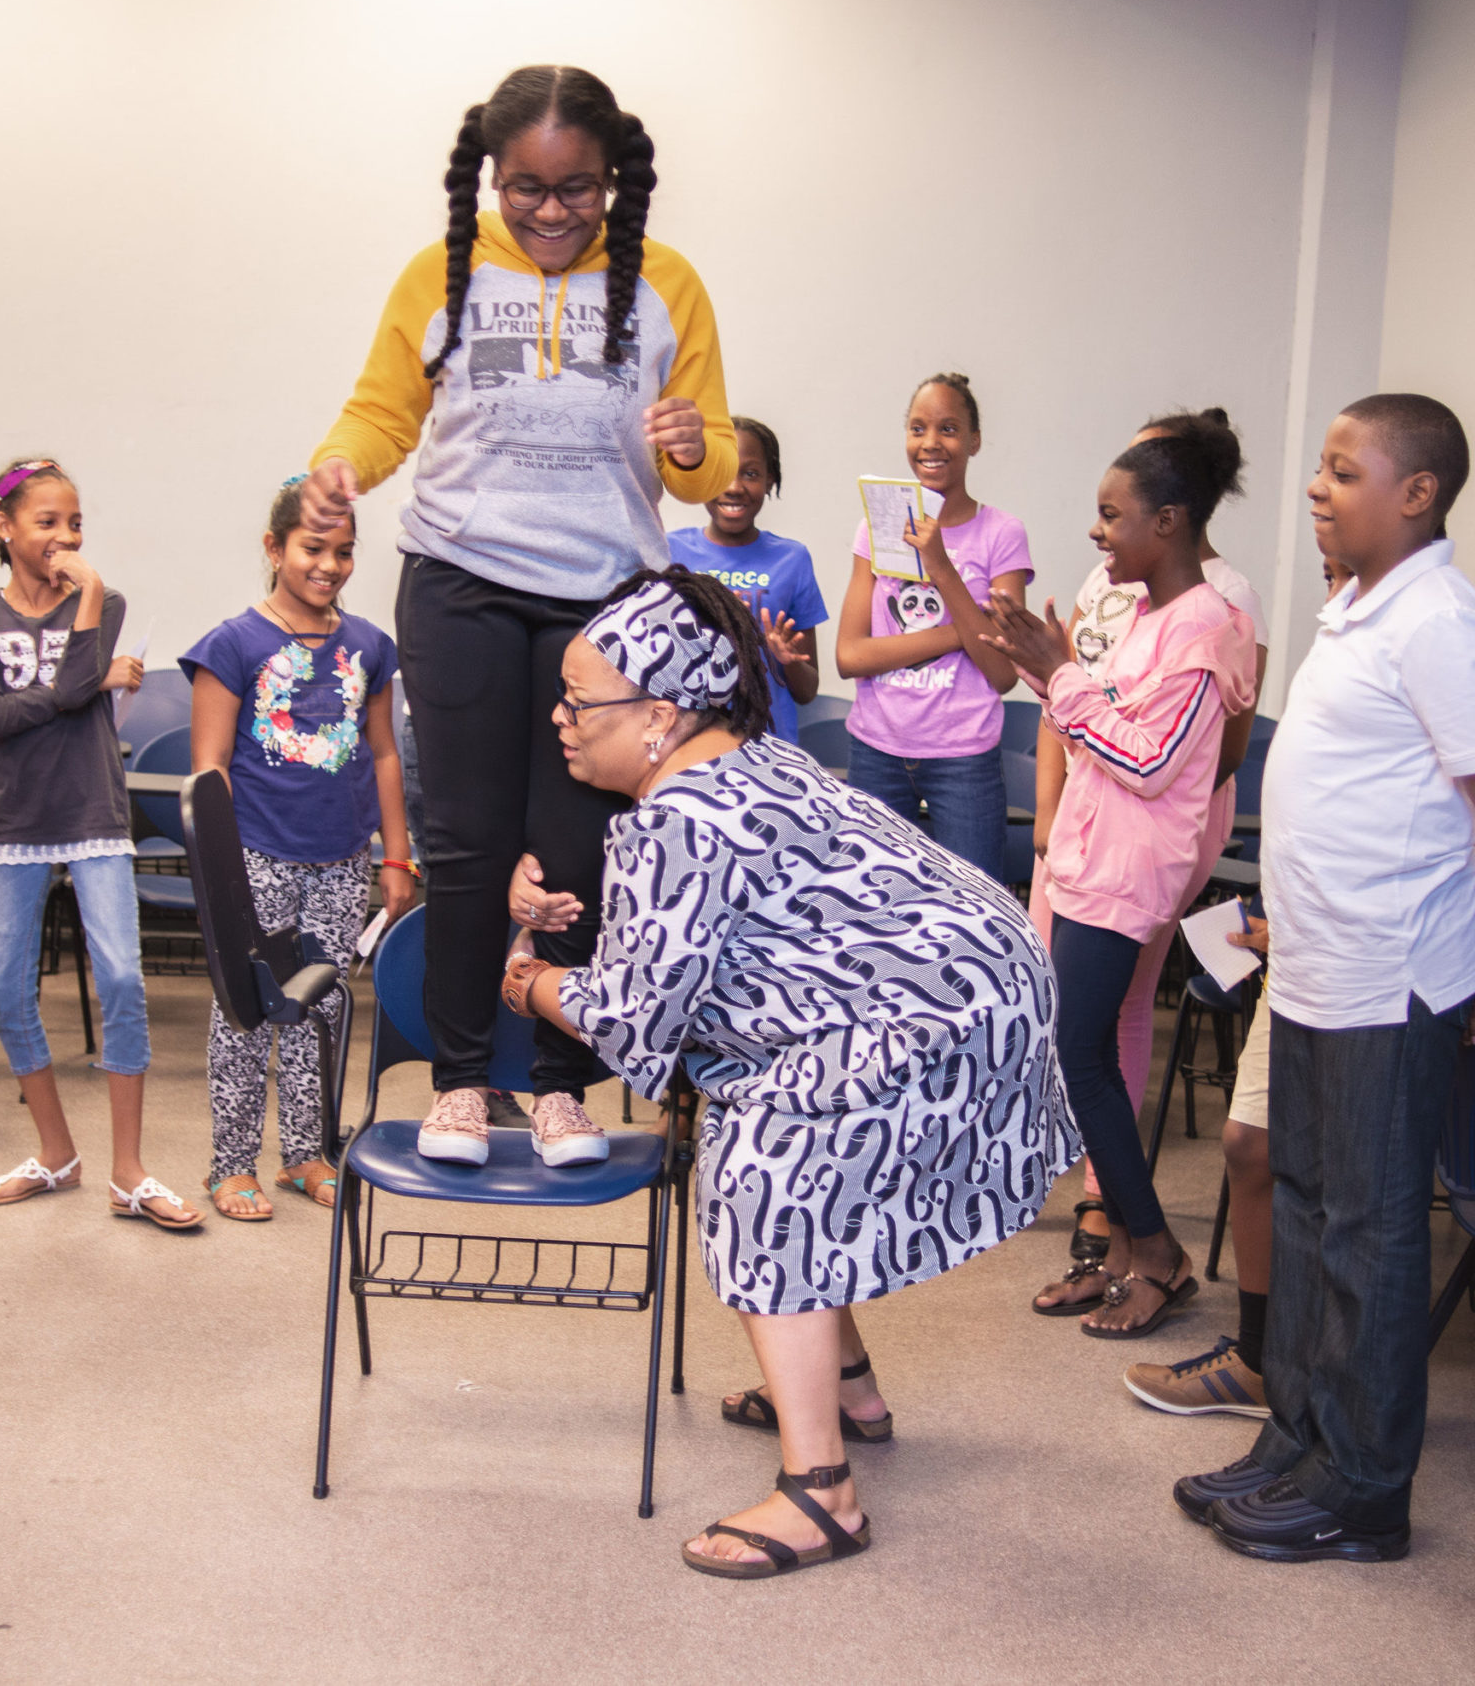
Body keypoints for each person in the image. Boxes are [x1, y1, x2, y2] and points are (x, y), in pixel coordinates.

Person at [501, 567, 1074, 1577]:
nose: (560, 717)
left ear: (658, 716)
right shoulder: (751, 757)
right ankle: (845, 1389)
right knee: (773, 1123)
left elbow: (631, 1022)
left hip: (935, 1013)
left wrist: (533, 982)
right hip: (981, 981)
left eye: (578, 702)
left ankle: (823, 1495)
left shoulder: (678, 819)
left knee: (762, 1162)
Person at [297, 64, 734, 1167]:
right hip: (461, 579)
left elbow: (711, 458)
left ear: (613, 180)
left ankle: (558, 1085)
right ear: (490, 178)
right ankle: (457, 1082)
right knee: (467, 841)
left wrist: (693, 447)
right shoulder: (440, 272)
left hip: (606, 597)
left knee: (578, 844)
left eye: (576, 188)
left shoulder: (666, 283)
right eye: (526, 188)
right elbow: (380, 412)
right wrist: (340, 467)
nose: (550, 210)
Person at [1177, 394, 1475, 1564]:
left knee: (1370, 1232)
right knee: (1305, 1212)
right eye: (1321, 467)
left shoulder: (1439, 620)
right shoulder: (1356, 605)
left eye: (1344, 470)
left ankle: (1363, 1486)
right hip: (1316, 966)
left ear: (1417, 493)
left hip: (1390, 977)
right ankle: (1297, 1439)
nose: (1315, 487)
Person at [984, 436, 1256, 1341]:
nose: (1097, 531)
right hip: (1090, 858)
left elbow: (1148, 760)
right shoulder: (1148, 612)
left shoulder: (1207, 628)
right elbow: (1098, 722)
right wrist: (1045, 665)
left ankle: (1158, 1253)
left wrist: (1062, 674)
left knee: (1081, 1056)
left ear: (1167, 521)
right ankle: (1128, 1254)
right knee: (1082, 1053)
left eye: (1112, 514)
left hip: (1130, 870)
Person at [1124, 557, 1348, 1422]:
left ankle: (1323, 1387)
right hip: (1299, 943)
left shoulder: (1433, 635)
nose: (1319, 500)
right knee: (1249, 1145)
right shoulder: (1339, 639)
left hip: (1363, 962)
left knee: (1332, 1181)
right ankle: (1259, 1363)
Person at [0, 459, 197, 1228]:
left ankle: (129, 1171)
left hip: (94, 810)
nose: (66, 536)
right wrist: (85, 682)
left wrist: (88, 606)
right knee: (5, 989)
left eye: (76, 522)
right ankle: (56, 1153)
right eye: (47, 521)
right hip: (20, 820)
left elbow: (62, 690)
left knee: (121, 977)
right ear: (4, 526)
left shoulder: (103, 601)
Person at [184, 481, 415, 1215]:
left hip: (342, 860)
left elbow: (384, 754)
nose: (329, 565)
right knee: (248, 1010)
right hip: (257, 854)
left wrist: (395, 856)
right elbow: (210, 770)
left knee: (322, 1005)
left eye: (344, 551)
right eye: (313, 548)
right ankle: (230, 1163)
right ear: (274, 547)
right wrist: (224, 878)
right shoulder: (233, 644)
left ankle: (305, 1153)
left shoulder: (369, 645)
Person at [833, 373, 1032, 880]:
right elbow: (850, 657)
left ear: (974, 441)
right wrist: (961, 632)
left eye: (948, 429)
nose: (930, 443)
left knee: (976, 903)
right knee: (870, 900)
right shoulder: (875, 527)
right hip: (876, 750)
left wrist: (940, 566)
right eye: (917, 428)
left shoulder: (1002, 533)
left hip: (963, 759)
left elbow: (1002, 674)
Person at [664, 416, 826, 740]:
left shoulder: (792, 559)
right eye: (721, 472)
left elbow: (807, 691)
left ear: (769, 480)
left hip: (769, 747)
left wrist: (788, 660)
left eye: (750, 474)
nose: (734, 487)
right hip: (690, 743)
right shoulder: (669, 551)